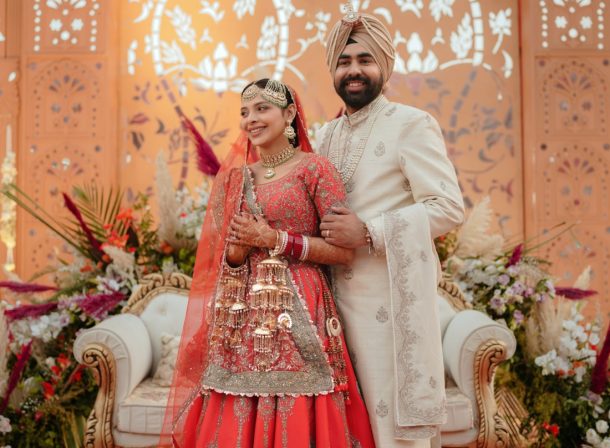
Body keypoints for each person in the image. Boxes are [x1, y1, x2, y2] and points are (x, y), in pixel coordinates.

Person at [161, 78, 375, 448]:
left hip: (301, 309)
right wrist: (238, 252)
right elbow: (227, 261)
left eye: (262, 109)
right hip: (243, 316)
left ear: (289, 114)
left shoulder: (315, 170)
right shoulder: (234, 180)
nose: (251, 119)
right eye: (245, 112)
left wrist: (275, 239)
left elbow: (343, 252)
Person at [316, 8, 466, 448]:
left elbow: (447, 207)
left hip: (390, 310)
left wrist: (370, 231)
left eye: (365, 59)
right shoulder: (324, 136)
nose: (354, 70)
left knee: (390, 434)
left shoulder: (411, 124)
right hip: (330, 309)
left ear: (385, 65)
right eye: (344, 61)